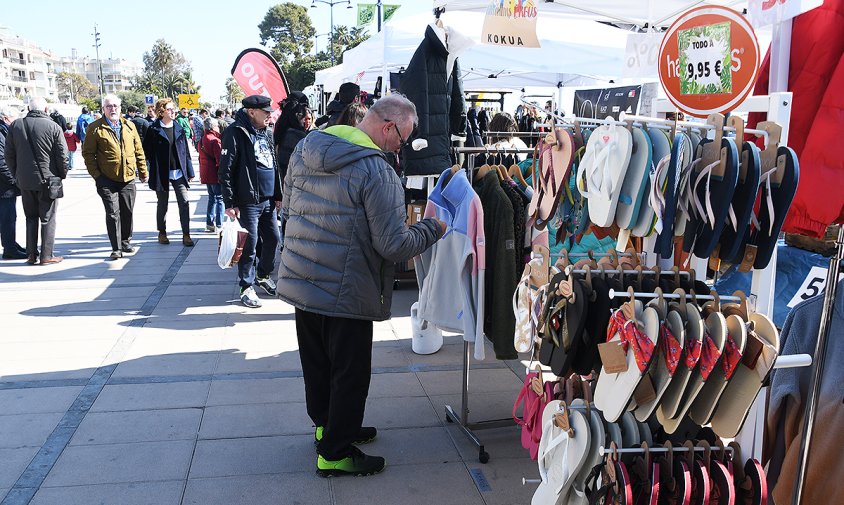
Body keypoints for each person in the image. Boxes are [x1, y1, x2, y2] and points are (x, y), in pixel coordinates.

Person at [278, 94, 445, 477]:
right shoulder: (377, 171)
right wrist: (433, 227)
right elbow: (394, 245)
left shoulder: (308, 146)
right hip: (347, 287)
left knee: (317, 363)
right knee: (350, 372)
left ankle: (329, 426)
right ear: (388, 127)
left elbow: (288, 206)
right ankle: (335, 452)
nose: (399, 149)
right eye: (401, 140)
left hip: (305, 279)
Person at [218, 95, 282, 308]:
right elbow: (225, 170)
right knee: (250, 245)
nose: (269, 115)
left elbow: (274, 164)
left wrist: (278, 195)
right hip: (247, 201)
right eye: (266, 112)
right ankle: (246, 286)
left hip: (268, 200)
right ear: (251, 111)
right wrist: (230, 202)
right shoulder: (235, 132)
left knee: (273, 239)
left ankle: (262, 275)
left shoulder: (267, 132)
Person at [82, 94, 148, 260]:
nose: (113, 109)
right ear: (103, 108)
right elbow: (88, 154)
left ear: (120, 108)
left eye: (115, 106)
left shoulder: (129, 126)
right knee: (113, 213)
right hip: (106, 179)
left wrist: (142, 171)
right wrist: (96, 175)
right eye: (109, 106)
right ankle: (116, 247)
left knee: (127, 211)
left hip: (128, 178)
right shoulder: (95, 128)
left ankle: (125, 240)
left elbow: (138, 150)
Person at [6, 97, 69, 265]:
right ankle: (47, 255)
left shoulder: (15, 126)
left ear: (28, 108)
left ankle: (31, 254)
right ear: (46, 109)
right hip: (48, 180)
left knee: (30, 217)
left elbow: (9, 155)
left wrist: (17, 175)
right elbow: (62, 156)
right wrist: (62, 175)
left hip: (25, 180)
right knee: (48, 218)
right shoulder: (53, 126)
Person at [143, 98, 195, 247]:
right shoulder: (153, 129)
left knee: (184, 202)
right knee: (162, 204)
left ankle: (186, 234)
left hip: (179, 172)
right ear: (161, 111)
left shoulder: (178, 127)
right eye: (170, 109)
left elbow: (185, 151)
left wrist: (189, 171)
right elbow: (147, 150)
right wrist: (151, 167)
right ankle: (162, 232)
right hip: (162, 173)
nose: (173, 112)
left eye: (173, 109)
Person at [0, 106, 27, 260]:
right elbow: (2, 162)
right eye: (14, 119)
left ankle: (11, 244)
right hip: (4, 186)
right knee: (7, 218)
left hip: (5, 186)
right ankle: (9, 248)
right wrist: (14, 181)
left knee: (9, 217)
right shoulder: (2, 132)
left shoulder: (5, 131)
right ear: (5, 118)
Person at [273, 91, 310, 182]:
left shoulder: (280, 127)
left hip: (281, 181)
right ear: (299, 114)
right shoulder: (297, 136)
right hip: (295, 183)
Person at [199, 117, 223, 233]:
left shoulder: (202, 139)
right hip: (215, 173)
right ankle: (219, 224)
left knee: (211, 198)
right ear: (213, 127)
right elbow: (219, 159)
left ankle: (209, 223)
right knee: (220, 199)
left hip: (206, 173)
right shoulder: (215, 140)